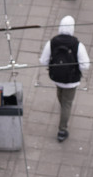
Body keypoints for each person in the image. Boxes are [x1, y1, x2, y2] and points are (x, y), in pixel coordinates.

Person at [38, 14, 89, 142]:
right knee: (67, 104)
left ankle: (63, 113)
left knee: (61, 95)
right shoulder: (78, 45)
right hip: (72, 80)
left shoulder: (52, 42)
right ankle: (62, 129)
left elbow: (43, 61)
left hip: (56, 77)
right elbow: (85, 65)